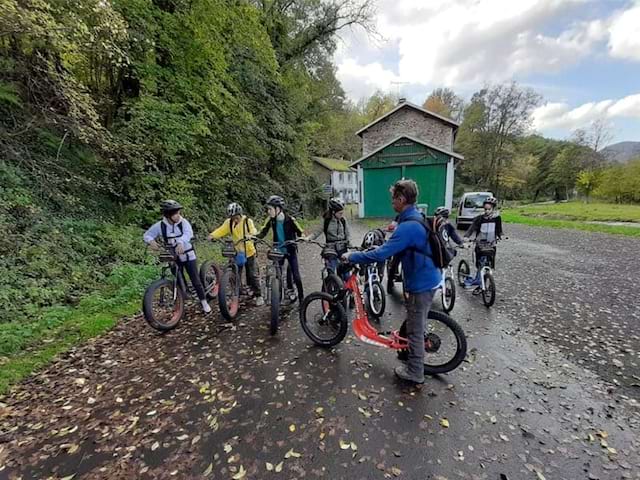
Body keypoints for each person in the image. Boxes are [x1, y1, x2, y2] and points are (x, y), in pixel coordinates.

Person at [343, 180, 441, 384]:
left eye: (393, 198)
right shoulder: (414, 217)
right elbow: (394, 239)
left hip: (421, 283)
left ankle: (415, 372)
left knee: (415, 329)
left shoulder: (408, 227)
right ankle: (407, 352)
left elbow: (381, 254)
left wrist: (353, 256)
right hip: (429, 277)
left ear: (401, 199)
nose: (391, 202)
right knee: (415, 319)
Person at [143, 200, 212, 314]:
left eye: (178, 212)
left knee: (195, 280)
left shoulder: (183, 222)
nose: (178, 215)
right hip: (173, 256)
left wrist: (180, 242)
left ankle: (204, 302)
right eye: (175, 213)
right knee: (178, 280)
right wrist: (151, 241)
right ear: (168, 215)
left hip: (188, 255)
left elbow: (188, 234)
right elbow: (147, 235)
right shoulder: (160, 226)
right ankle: (183, 300)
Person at [209, 202, 264, 306]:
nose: (234, 219)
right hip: (237, 252)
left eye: (236, 217)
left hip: (249, 252)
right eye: (232, 217)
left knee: (251, 274)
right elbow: (221, 230)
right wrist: (212, 235)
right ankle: (237, 293)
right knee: (235, 273)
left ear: (240, 214)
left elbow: (253, 231)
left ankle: (258, 295)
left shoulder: (247, 221)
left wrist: (251, 235)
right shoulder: (229, 223)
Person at [256, 195, 305, 303]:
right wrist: (254, 237)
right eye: (268, 209)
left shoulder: (290, 219)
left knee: (296, 275)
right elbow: (263, 232)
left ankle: (302, 298)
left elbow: (300, 231)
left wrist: (302, 237)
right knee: (277, 274)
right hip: (278, 250)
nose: (268, 211)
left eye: (270, 209)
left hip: (290, 250)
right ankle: (277, 296)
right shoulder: (271, 220)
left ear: (278, 208)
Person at [463, 196, 503, 291]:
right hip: (480, 244)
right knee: (480, 264)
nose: (487, 211)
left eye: (489, 209)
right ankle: (478, 280)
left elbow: (499, 230)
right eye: (485, 209)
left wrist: (501, 236)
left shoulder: (497, 218)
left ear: (493, 208)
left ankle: (485, 280)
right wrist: (466, 236)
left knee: (489, 263)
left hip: (491, 243)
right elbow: (472, 228)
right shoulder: (480, 218)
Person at [308, 197, 351, 276]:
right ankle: (329, 286)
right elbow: (316, 232)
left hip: (342, 248)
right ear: (334, 212)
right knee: (331, 271)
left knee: (346, 274)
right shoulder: (326, 220)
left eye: (342, 213)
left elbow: (347, 234)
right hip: (330, 249)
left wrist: (350, 245)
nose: (342, 215)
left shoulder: (343, 220)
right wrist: (308, 238)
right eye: (340, 213)